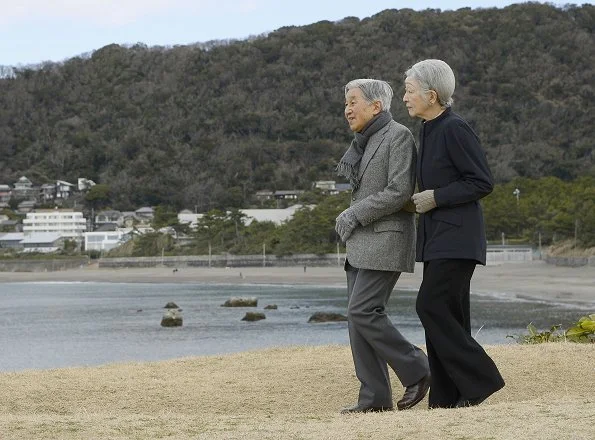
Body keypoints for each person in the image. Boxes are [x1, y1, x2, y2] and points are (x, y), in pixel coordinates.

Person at [402, 59, 505, 408]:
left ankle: (483, 378)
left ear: (432, 95)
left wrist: (436, 197)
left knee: (429, 305)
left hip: (457, 239)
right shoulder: (429, 129)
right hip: (437, 239)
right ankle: (448, 397)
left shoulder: (455, 128)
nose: (405, 97)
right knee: (451, 316)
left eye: (410, 91)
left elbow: (481, 182)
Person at [335, 78, 430, 414]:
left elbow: (399, 191)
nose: (347, 109)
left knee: (364, 310)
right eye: (345, 103)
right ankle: (374, 398)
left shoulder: (398, 135)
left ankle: (417, 368)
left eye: (353, 101)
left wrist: (354, 213)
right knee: (355, 318)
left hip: (386, 238)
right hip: (359, 241)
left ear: (376, 106)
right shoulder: (362, 141)